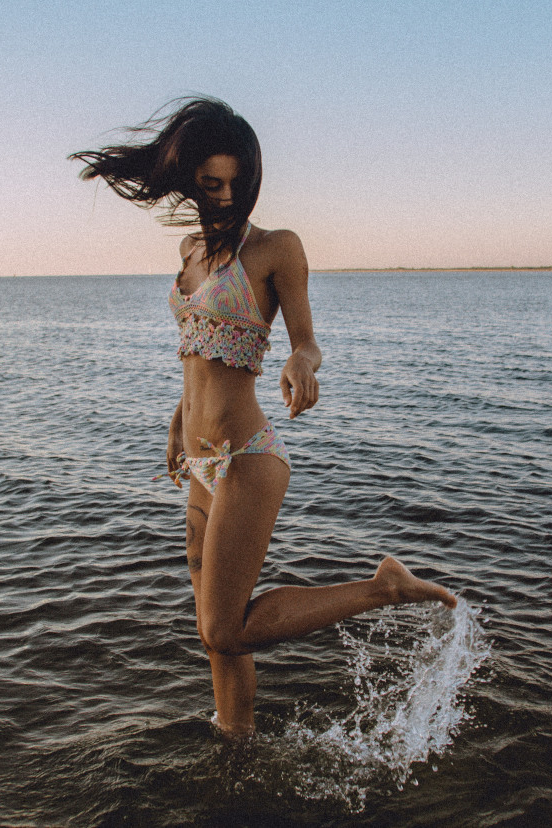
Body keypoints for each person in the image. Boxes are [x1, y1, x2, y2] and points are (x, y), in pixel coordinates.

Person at [71, 97, 456, 738]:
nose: (223, 196)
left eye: (235, 184)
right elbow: (200, 352)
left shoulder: (276, 249)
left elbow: (305, 339)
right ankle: (235, 741)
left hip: (247, 453)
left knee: (224, 623)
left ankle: (382, 588)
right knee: (219, 639)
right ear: (192, 179)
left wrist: (302, 365)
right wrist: (177, 420)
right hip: (199, 459)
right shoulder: (192, 251)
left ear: (251, 182)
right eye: (210, 183)